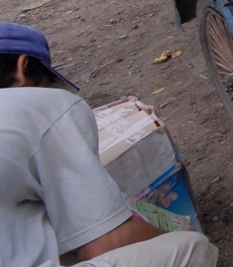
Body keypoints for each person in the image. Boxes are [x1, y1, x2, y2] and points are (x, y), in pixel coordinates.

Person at [0, 21, 219, 267]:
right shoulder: (43, 107)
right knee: (193, 249)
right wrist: (175, 236)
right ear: (23, 67)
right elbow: (105, 245)